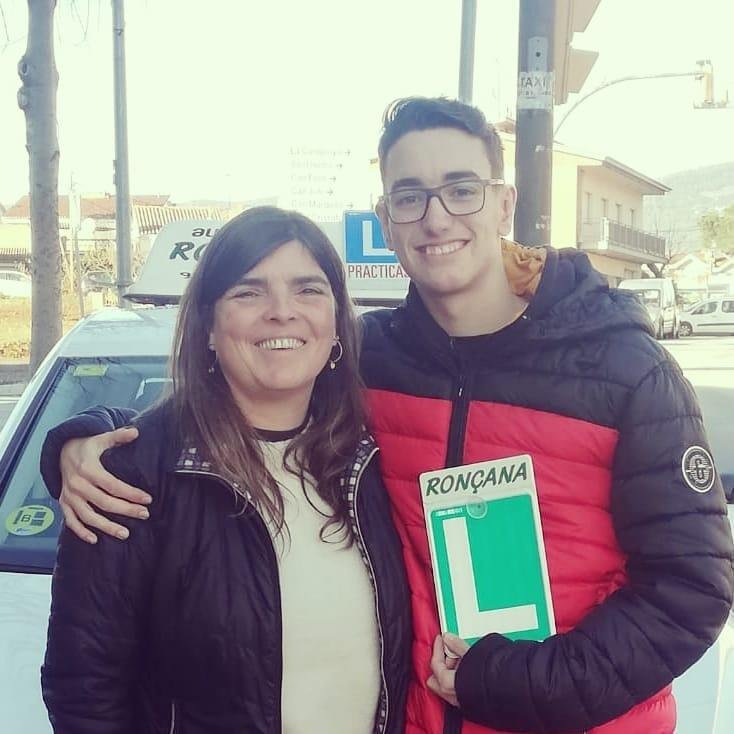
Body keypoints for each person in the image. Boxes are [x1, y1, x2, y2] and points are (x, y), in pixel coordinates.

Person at [42, 98, 734, 734]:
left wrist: (517, 684)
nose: (436, 217)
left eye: (461, 189)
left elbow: (691, 590)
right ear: (386, 219)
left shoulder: (625, 371)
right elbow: (233, 403)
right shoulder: (370, 362)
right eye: (410, 196)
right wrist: (82, 438)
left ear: (504, 203)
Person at [41, 207, 412, 733]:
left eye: (308, 290)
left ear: (336, 325)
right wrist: (77, 439)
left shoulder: (371, 459)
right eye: (248, 292)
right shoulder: (129, 479)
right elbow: (84, 690)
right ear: (209, 328)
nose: (281, 312)